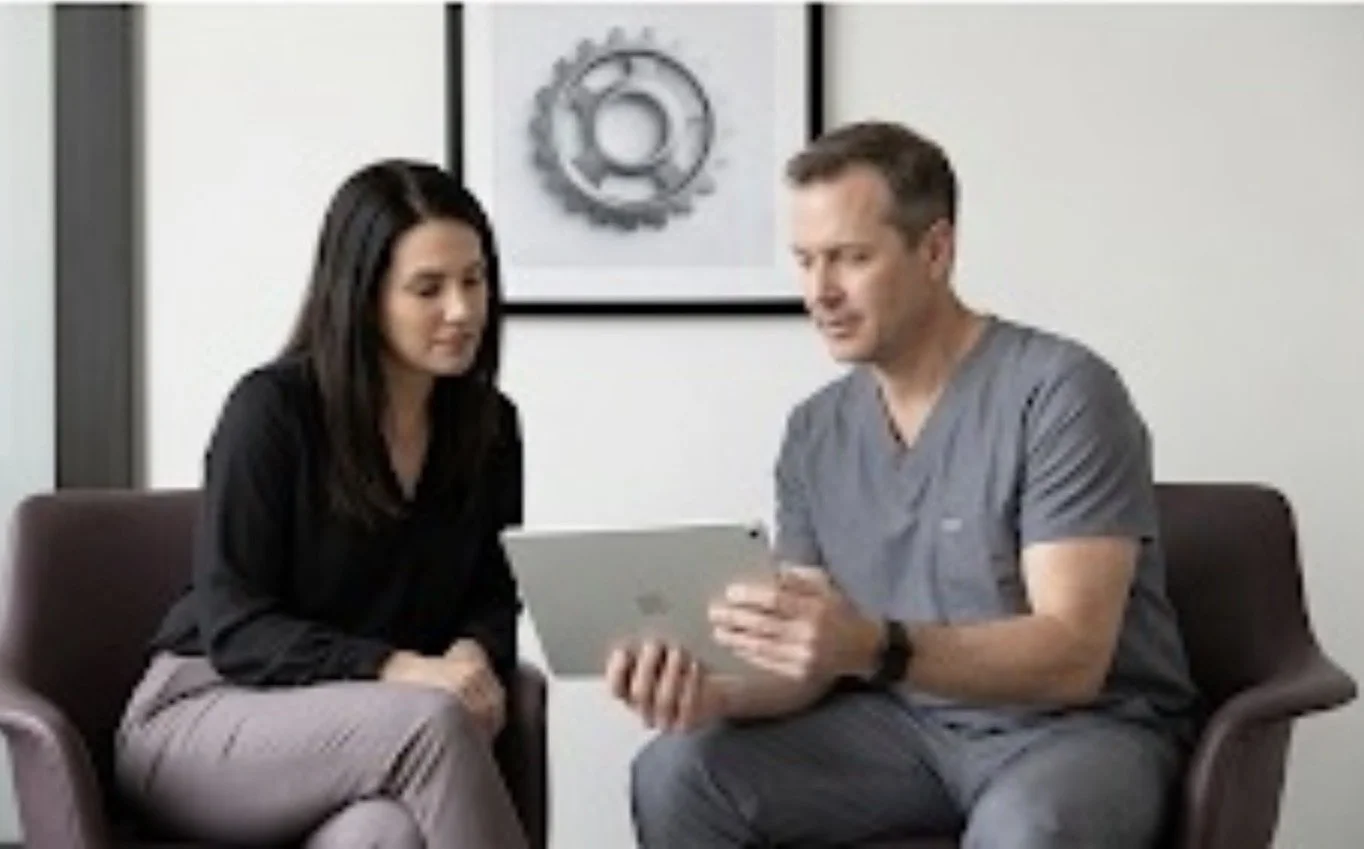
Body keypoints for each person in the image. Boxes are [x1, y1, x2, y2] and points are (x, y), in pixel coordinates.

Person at [609, 121, 1199, 849]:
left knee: (1029, 830)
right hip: (902, 729)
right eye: (805, 261)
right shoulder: (814, 431)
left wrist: (873, 646)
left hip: (1073, 733)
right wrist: (713, 691)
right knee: (678, 773)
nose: (820, 292)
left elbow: (1074, 654)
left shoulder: (1062, 392)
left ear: (936, 250)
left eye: (851, 258)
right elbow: (808, 660)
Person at [116, 160, 529, 849]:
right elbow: (235, 625)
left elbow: (492, 589)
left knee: (386, 834)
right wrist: (400, 669)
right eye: (428, 288)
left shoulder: (488, 425)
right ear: (363, 296)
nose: (462, 309)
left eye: (474, 279)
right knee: (433, 721)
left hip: (361, 732)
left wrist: (471, 651)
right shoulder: (271, 410)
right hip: (203, 714)